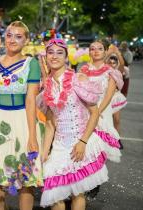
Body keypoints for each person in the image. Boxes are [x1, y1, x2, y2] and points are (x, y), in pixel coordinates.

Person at [0, 21, 43, 210]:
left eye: (18, 36)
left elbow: (31, 101)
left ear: (26, 40)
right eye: (9, 35)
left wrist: (32, 136)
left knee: (25, 181)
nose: (12, 40)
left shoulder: (32, 64)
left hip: (22, 121)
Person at [39, 38, 108, 210]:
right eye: (50, 52)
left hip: (80, 142)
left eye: (59, 52)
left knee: (78, 193)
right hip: (59, 146)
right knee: (54, 193)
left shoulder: (78, 79)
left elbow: (95, 113)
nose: (54, 56)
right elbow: (50, 123)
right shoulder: (47, 86)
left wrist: (83, 142)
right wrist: (44, 152)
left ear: (66, 57)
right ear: (46, 56)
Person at [79, 40, 123, 199]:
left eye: (99, 49)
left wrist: (97, 113)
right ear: (89, 52)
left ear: (105, 52)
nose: (96, 51)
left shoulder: (111, 72)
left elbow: (109, 95)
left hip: (102, 114)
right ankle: (85, 180)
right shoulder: (83, 70)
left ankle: (95, 183)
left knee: (99, 149)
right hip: (85, 113)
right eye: (92, 49)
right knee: (86, 146)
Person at [106, 54, 127, 140]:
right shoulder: (103, 72)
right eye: (110, 63)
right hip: (106, 98)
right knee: (107, 121)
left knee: (117, 120)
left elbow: (122, 63)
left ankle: (117, 139)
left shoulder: (119, 72)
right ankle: (108, 139)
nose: (112, 64)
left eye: (114, 63)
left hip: (115, 98)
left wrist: (117, 52)